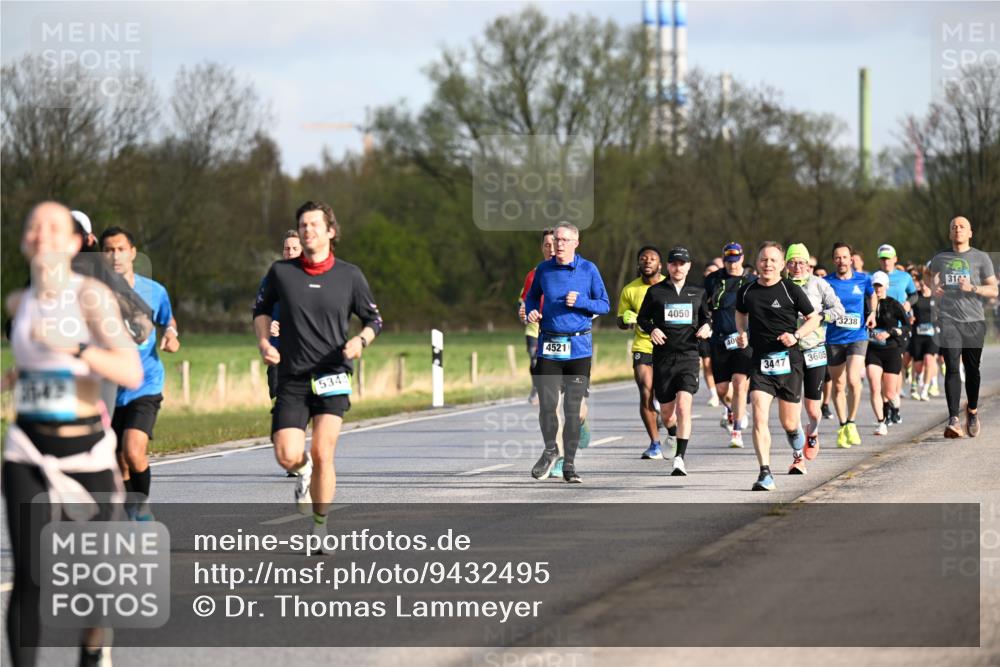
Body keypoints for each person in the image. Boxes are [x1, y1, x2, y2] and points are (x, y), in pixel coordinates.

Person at [3, 202, 142, 667]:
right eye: (34, 226)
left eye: (53, 227)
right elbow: (31, 367)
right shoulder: (19, 303)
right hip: (27, 450)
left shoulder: (90, 297)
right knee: (31, 576)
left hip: (86, 453)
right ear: (26, 241)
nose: (42, 234)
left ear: (72, 242)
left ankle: (91, 650)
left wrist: (79, 347)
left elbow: (130, 370)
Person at [253, 201, 383, 540]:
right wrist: (265, 343)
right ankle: (302, 470)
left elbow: (374, 319)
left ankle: (320, 527)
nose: (308, 229)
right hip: (293, 375)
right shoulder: (281, 272)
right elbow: (261, 310)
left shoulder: (349, 275)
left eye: (314, 224)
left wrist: (361, 341)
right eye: (303, 224)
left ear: (330, 231)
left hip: (332, 372)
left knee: (323, 451)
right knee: (287, 455)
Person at [100, 226, 180, 520]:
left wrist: (171, 335)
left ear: (133, 253)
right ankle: (129, 514)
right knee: (117, 462)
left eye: (121, 249)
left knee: (133, 451)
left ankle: (142, 507)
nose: (116, 255)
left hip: (145, 383)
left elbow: (167, 319)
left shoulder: (153, 291)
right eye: (109, 250)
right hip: (108, 389)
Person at [524, 222, 610, 484]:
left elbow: (605, 304)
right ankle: (551, 449)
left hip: (578, 348)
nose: (558, 244)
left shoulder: (588, 269)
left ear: (576, 243)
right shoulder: (543, 270)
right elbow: (530, 297)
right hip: (549, 345)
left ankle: (569, 464)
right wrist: (531, 310)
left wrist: (582, 302)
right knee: (548, 406)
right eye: (556, 239)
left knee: (572, 409)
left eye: (564, 240)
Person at [736, 242, 821, 489]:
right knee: (759, 416)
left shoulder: (790, 290)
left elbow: (813, 319)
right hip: (760, 362)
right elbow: (740, 314)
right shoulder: (746, 290)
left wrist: (796, 336)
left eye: (773, 260)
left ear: (782, 265)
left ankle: (797, 442)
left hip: (789, 363)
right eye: (763, 260)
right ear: (757, 262)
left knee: (789, 424)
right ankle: (765, 472)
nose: (768, 264)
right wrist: (741, 332)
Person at [637, 246, 712, 475]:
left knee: (683, 407)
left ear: (689, 266)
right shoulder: (656, 292)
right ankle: (671, 433)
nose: (678, 267)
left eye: (682, 263)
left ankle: (680, 458)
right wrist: (652, 330)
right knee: (668, 413)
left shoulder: (698, 292)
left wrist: (708, 327)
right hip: (663, 358)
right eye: (674, 263)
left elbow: (707, 318)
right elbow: (642, 318)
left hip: (689, 355)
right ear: (668, 266)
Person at [930, 216, 998, 438]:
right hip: (948, 319)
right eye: (953, 227)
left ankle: (973, 410)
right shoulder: (941, 258)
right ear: (949, 234)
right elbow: (933, 283)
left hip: (974, 321)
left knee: (972, 370)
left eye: (962, 227)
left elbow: (994, 290)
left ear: (970, 232)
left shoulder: (981, 258)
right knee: (951, 365)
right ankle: (953, 419)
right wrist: (936, 291)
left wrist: (973, 288)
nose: (957, 230)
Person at [785, 243, 844, 461]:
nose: (797, 266)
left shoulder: (819, 284)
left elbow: (839, 310)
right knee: (791, 410)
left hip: (815, 349)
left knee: (812, 409)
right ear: (787, 265)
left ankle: (813, 431)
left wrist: (820, 317)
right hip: (789, 351)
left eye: (801, 262)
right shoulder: (781, 286)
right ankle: (797, 454)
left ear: (808, 263)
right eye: (792, 262)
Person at [617, 245, 671, 459]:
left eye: (652, 258)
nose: (647, 261)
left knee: (664, 394)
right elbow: (620, 320)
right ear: (638, 263)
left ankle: (671, 427)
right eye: (643, 258)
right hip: (643, 346)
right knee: (646, 390)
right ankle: (655, 444)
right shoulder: (630, 290)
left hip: (670, 348)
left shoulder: (671, 285)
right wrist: (625, 320)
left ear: (660, 264)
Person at [824, 242, 877, 449]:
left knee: (854, 380)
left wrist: (872, 313)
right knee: (838, 384)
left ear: (851, 259)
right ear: (833, 260)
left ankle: (852, 422)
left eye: (844, 257)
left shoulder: (863, 279)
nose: (841, 261)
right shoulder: (826, 281)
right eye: (837, 257)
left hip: (858, 335)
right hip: (834, 338)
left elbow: (873, 295)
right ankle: (843, 424)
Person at [706, 242, 755, 448]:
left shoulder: (751, 280)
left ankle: (736, 431)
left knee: (739, 382)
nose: (732, 265)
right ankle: (731, 409)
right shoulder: (713, 279)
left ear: (742, 259)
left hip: (743, 338)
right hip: (719, 339)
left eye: (735, 261)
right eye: (728, 261)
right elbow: (704, 303)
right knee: (722, 390)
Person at [865, 271, 911, 434]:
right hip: (873, 350)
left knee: (890, 392)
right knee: (874, 386)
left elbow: (907, 326)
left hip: (891, 349)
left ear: (886, 286)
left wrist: (890, 332)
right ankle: (881, 422)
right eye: (874, 285)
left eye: (880, 285)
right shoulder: (867, 304)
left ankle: (895, 409)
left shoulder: (893, 304)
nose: (877, 289)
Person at [260, 230, 303, 401]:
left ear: (302, 250)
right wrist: (269, 325)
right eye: (287, 248)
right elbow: (260, 312)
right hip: (276, 352)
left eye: (294, 248)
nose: (290, 252)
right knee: (280, 403)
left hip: (303, 353)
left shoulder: (310, 278)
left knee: (301, 404)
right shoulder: (272, 279)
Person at [907, 267, 940, 401]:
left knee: (929, 359)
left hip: (933, 335)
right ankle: (916, 380)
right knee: (918, 367)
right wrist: (909, 318)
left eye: (926, 282)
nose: (924, 284)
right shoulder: (915, 297)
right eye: (922, 282)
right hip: (917, 334)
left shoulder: (937, 297)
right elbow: (907, 310)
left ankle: (925, 389)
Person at [699, 262, 721, 407]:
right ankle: (714, 395)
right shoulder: (699, 291)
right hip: (706, 333)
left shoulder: (722, 290)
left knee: (720, 364)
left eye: (714, 271)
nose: (710, 273)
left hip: (720, 332)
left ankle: (725, 392)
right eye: (708, 271)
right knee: (707, 364)